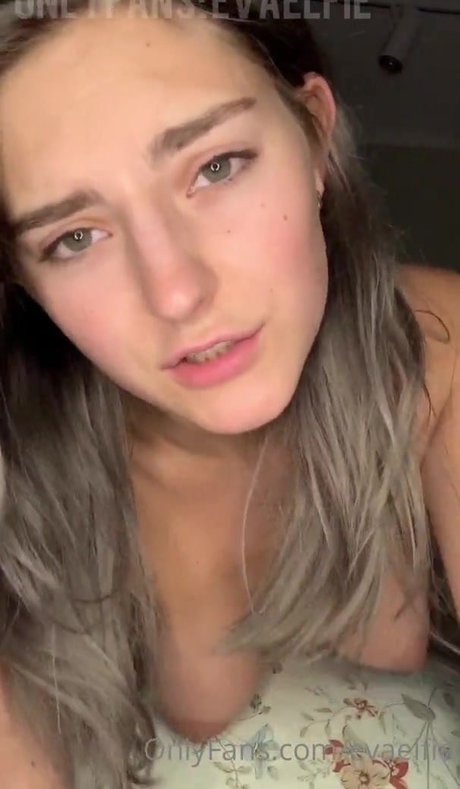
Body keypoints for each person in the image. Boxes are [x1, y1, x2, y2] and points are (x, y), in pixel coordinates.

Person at [0, 0, 458, 785]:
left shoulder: (438, 347)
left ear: (314, 133)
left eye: (215, 167)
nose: (177, 292)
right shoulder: (21, 473)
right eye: (75, 236)